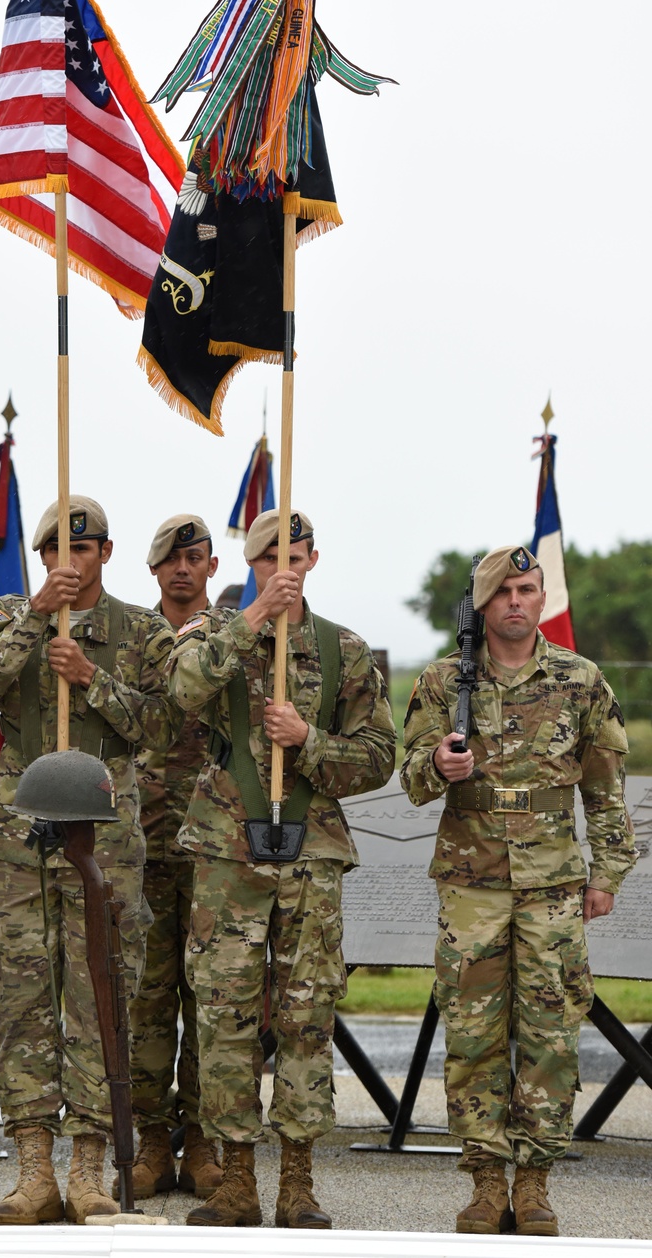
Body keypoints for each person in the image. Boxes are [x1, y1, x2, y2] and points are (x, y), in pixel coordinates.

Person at [0, 495, 181, 1226]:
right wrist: (31, 621)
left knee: (97, 995)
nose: (67, 562)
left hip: (104, 836)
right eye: (53, 549)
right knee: (23, 1002)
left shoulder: (140, 632)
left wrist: (89, 677)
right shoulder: (4, 618)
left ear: (106, 555)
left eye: (81, 550)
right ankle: (32, 1170)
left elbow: (161, 727)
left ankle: (89, 1168)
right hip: (20, 838)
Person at [401, 544, 637, 1238]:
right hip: (472, 882)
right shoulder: (447, 681)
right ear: (481, 602)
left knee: (551, 1035)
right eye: (503, 590)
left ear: (541, 598)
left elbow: (604, 788)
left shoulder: (580, 679)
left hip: (553, 885)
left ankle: (533, 1183)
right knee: (472, 1033)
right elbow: (411, 779)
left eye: (527, 589)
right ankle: (483, 1180)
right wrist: (439, 764)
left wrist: (609, 873)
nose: (516, 601)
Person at [169, 509, 396, 1228]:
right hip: (228, 854)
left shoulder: (343, 651)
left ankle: (297, 1177)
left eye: (294, 556)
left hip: (310, 849)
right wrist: (250, 619)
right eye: (269, 557)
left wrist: (310, 741)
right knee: (225, 1014)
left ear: (314, 560)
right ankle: (235, 1177)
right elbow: (181, 692)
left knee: (305, 1016)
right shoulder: (214, 635)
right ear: (251, 559)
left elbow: (380, 757)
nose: (283, 569)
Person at [125, 514, 224, 1200]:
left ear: (212, 567)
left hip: (218, 850)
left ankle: (205, 1144)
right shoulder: (135, 640)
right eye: (170, 560)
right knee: (148, 1001)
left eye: (193, 557)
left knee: (213, 999)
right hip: (145, 844)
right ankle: (152, 1143)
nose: (182, 569)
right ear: (153, 570)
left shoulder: (237, 639)